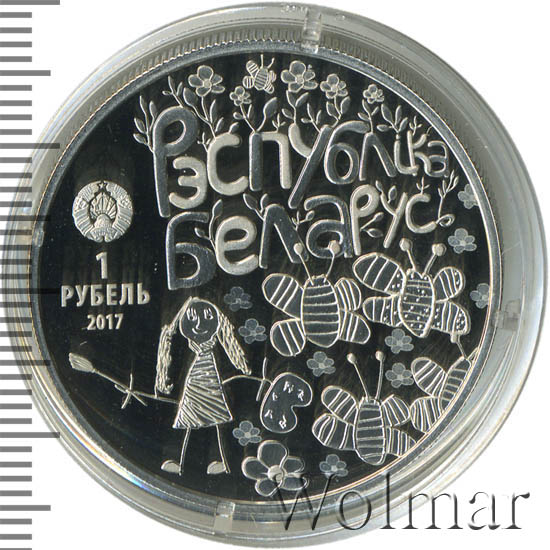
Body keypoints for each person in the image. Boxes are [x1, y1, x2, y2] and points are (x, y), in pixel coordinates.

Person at [155, 296, 249, 475]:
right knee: (184, 420)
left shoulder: (216, 348)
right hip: (193, 388)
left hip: (211, 385)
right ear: (181, 323)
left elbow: (233, 354)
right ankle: (174, 458)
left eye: (207, 317)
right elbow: (168, 362)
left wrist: (243, 368)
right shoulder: (181, 348)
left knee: (215, 419)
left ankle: (217, 459)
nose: (199, 324)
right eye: (191, 318)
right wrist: (164, 380)